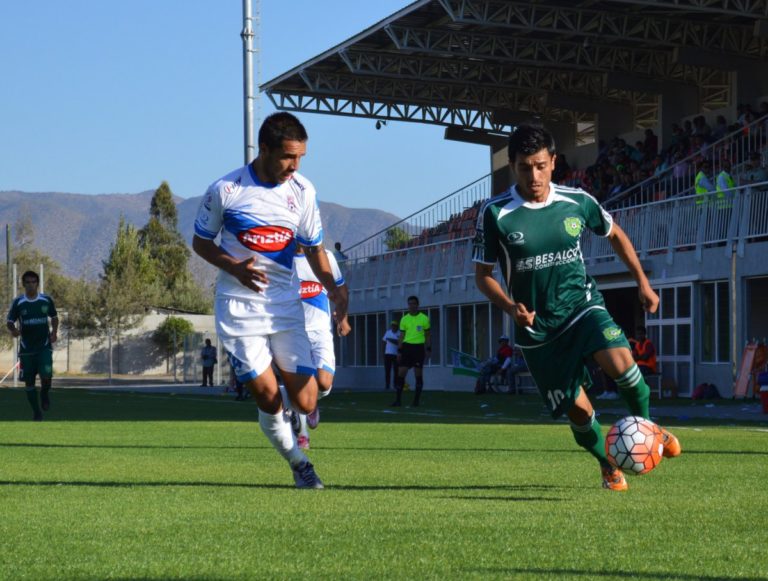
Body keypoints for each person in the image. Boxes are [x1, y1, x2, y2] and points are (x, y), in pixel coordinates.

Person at [473, 124, 681, 491]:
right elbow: (483, 275)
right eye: (524, 167)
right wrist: (510, 307)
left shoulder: (577, 201)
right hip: (538, 332)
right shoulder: (495, 213)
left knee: (624, 367)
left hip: (582, 306)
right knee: (581, 412)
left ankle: (648, 430)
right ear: (512, 166)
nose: (533, 175)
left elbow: (615, 233)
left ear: (553, 162)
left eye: (540, 165)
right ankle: (607, 463)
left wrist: (643, 284)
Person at [192, 112, 349, 489]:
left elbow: (314, 249)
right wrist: (234, 266)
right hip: (239, 304)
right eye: (287, 157)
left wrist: (335, 288)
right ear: (264, 149)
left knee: (309, 401)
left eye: (300, 158)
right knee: (264, 393)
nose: (294, 167)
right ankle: (299, 463)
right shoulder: (226, 190)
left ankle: (287, 408)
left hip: (284, 303)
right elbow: (201, 242)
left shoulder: (303, 191)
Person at [290, 244, 350, 450]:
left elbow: (341, 288)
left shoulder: (325, 257)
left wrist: (343, 317)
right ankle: (302, 434)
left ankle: (309, 403)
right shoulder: (281, 259)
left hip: (321, 332)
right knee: (302, 383)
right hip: (294, 333)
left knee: (323, 384)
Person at [6, 270, 59, 421]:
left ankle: (44, 393)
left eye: (33, 282)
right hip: (26, 349)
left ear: (37, 283)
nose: (30, 285)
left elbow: (54, 317)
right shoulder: (18, 302)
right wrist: (14, 330)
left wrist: (54, 332)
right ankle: (36, 411)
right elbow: (9, 321)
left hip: (44, 346)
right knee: (29, 382)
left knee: (46, 376)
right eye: (27, 282)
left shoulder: (46, 300)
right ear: (23, 284)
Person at [392, 295, 430, 407]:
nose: (411, 306)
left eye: (414, 303)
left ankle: (416, 401)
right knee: (401, 373)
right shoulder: (404, 319)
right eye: (410, 304)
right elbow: (401, 336)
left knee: (418, 375)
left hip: (418, 348)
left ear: (417, 305)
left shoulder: (424, 318)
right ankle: (398, 400)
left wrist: (428, 348)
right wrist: (399, 351)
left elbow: (428, 335)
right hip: (406, 348)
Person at [382, 320, 400, 390]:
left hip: (396, 355)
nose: (393, 327)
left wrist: (390, 339)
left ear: (397, 326)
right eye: (392, 325)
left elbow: (399, 342)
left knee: (396, 371)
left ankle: (395, 385)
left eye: (395, 326)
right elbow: (383, 342)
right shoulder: (388, 332)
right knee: (387, 370)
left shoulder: (399, 333)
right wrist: (383, 353)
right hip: (387, 354)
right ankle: (387, 385)